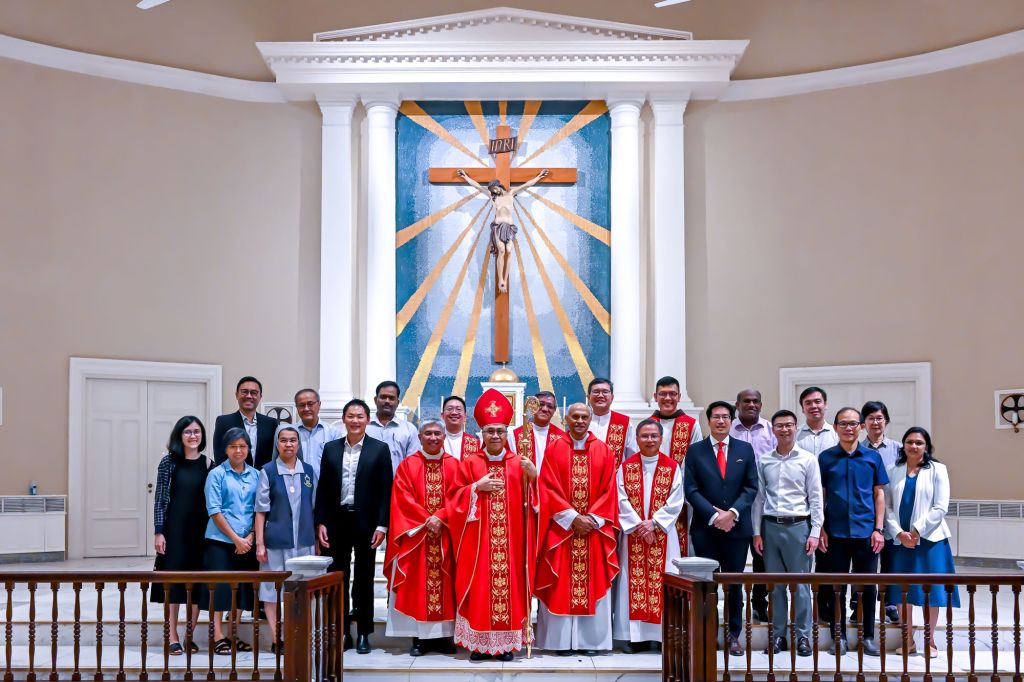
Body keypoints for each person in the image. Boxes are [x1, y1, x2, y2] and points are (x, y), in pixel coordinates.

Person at [448, 389, 537, 661]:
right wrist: (476, 487)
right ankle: (479, 644)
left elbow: (535, 503)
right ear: (482, 434)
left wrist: (533, 477)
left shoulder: (519, 463)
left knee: (511, 588)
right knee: (480, 588)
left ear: (507, 433)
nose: (495, 436)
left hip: (512, 544)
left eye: (500, 431)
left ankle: (507, 644)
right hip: (478, 544)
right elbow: (453, 498)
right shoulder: (470, 463)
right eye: (490, 431)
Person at [535, 403, 619, 656]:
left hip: (593, 530)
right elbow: (547, 487)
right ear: (566, 419)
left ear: (590, 419)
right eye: (575, 417)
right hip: (563, 530)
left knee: (593, 581)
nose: (580, 421)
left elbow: (610, 490)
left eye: (584, 417)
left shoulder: (604, 450)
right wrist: (572, 518)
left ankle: (590, 642)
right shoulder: (554, 448)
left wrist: (591, 518)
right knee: (560, 582)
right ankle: (559, 642)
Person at [314, 399, 393, 654]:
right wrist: (320, 521)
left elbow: (385, 490)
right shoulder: (331, 449)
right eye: (351, 416)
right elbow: (323, 488)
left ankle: (364, 633)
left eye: (360, 416)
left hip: (366, 522)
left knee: (364, 578)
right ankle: (341, 631)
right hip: (336, 521)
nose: (355, 420)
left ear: (367, 419)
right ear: (344, 419)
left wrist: (382, 525)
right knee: (338, 577)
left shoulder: (379, 449)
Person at [683, 401, 758, 657]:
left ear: (732, 421)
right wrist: (715, 515)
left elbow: (751, 487)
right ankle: (708, 633)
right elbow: (691, 489)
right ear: (708, 421)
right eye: (716, 417)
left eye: (725, 417)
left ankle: (733, 635)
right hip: (705, 529)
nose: (721, 421)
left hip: (737, 529)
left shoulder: (745, 449)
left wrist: (732, 513)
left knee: (734, 584)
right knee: (708, 585)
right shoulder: (695, 451)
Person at [383, 419, 461, 656]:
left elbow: (459, 497)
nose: (433, 438)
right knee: (417, 586)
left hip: (446, 535)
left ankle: (444, 637)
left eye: (437, 433)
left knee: (446, 585)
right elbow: (402, 498)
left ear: (444, 437)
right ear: (419, 437)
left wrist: (441, 517)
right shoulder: (408, 465)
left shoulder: (455, 465)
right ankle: (419, 639)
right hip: (417, 536)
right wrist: (428, 520)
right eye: (428, 433)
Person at [751, 410, 823, 657]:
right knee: (775, 586)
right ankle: (778, 635)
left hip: (798, 527)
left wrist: (815, 531)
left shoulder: (808, 459)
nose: (784, 430)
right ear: (773, 429)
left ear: (795, 427)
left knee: (801, 586)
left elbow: (815, 497)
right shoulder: (764, 460)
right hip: (770, 527)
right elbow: (759, 499)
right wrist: (756, 532)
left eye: (789, 425)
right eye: (779, 426)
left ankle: (802, 636)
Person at [817, 407, 888, 657]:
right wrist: (820, 527)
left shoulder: (872, 457)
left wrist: (879, 529)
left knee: (867, 587)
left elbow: (879, 494)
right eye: (843, 424)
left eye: (853, 424)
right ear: (835, 427)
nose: (848, 428)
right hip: (834, 533)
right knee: (837, 588)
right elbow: (820, 495)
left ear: (861, 427)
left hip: (866, 533)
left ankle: (867, 636)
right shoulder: (825, 458)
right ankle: (839, 636)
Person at [883, 427, 959, 658]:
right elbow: (887, 506)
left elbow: (940, 506)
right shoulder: (892, 469)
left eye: (919, 442)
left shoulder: (938, 469)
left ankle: (930, 640)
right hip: (901, 542)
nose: (913, 446)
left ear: (926, 447)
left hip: (930, 540)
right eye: (909, 442)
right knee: (902, 591)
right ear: (903, 445)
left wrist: (916, 530)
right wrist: (899, 533)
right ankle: (907, 639)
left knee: (930, 591)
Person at [613, 419, 685, 653]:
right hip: (634, 534)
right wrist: (639, 525)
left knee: (663, 581)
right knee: (632, 583)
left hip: (663, 534)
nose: (650, 440)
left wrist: (654, 524)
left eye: (654, 436)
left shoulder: (672, 467)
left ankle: (663, 635)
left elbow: (676, 500)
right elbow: (620, 498)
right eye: (644, 436)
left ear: (661, 439)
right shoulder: (626, 467)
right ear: (637, 439)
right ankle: (635, 638)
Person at [254, 423, 317, 654]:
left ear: (298, 444)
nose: (288, 444)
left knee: (300, 590)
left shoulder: (308, 471)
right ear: (277, 444)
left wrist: (315, 541)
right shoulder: (268, 471)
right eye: (283, 440)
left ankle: (296, 634)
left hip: (303, 542)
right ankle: (276, 637)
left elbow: (314, 507)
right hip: (275, 542)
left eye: (293, 440)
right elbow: (260, 511)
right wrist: (260, 543)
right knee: (271, 591)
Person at [151, 415, 210, 655]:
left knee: (196, 586)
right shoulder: (169, 462)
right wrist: (159, 532)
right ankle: (172, 635)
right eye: (188, 432)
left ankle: (189, 635)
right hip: (174, 531)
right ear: (180, 435)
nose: (193, 436)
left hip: (201, 532)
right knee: (173, 585)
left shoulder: (209, 464)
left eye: (197, 431)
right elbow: (160, 499)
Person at [202, 427, 259, 655]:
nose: (238, 450)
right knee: (220, 590)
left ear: (248, 449)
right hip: (221, 541)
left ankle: (232, 634)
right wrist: (236, 539)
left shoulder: (256, 475)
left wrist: (251, 536)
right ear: (225, 449)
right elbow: (214, 510)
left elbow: (259, 509)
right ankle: (217, 636)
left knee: (242, 591)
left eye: (242, 446)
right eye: (233, 446)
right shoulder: (217, 474)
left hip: (247, 542)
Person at [730, 388, 777, 623]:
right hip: (736, 504)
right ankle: (735, 606)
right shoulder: (729, 429)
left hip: (765, 502)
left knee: (762, 557)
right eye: (746, 401)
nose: (751, 405)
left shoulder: (770, 430)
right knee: (735, 558)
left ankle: (760, 604)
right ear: (737, 404)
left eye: (755, 401)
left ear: (761, 404)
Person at [856, 400, 902, 624]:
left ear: (886, 421)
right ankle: (858, 604)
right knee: (864, 563)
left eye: (879, 418)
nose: (875, 422)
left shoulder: (898, 449)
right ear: (863, 423)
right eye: (870, 418)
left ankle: (890, 603)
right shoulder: (856, 449)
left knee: (890, 561)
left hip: (892, 515)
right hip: (865, 515)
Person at [652, 376, 702, 556]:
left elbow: (695, 462)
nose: (668, 398)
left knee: (681, 545)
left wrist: (678, 489)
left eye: (672, 394)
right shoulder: (649, 425)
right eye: (663, 394)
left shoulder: (691, 425)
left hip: (682, 496)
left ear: (679, 396)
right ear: (655, 397)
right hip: (652, 493)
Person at [213, 376, 278, 469]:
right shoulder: (223, 422)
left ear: (260, 396)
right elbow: (219, 456)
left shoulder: (271, 423)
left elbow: (275, 455)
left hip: (264, 476)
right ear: (237, 395)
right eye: (244, 392)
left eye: (254, 392)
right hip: (232, 476)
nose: (249, 396)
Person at [366, 380, 419, 472]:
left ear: (397, 402)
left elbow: (413, 463)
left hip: (399, 480)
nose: (387, 401)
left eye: (391, 398)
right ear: (375, 400)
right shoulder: (364, 427)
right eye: (383, 397)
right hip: (367, 481)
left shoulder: (409, 429)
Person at [586, 378, 637, 469]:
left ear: (612, 397)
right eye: (596, 392)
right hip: (587, 474)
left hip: (616, 476)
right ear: (588, 397)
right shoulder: (582, 422)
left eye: (605, 392)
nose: (600, 395)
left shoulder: (624, 423)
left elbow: (632, 456)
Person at [511, 390, 566, 472]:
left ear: (554, 411)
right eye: (541, 404)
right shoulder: (516, 435)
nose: (545, 409)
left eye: (550, 406)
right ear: (533, 406)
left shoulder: (562, 438)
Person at [293, 388, 338, 477]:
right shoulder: (290, 432)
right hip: (296, 483)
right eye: (301, 405)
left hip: (325, 483)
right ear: (297, 407)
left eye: (310, 404)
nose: (306, 409)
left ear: (319, 404)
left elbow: (338, 462)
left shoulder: (333, 432)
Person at [795, 386, 838, 456]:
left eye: (817, 401)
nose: (813, 406)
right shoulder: (794, 434)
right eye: (808, 403)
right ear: (802, 409)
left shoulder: (836, 433)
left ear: (825, 405)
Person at [440, 395, 480, 460]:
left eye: (458, 409)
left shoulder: (475, 444)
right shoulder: (434, 441)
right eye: (450, 409)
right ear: (442, 416)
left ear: (465, 417)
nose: (454, 412)